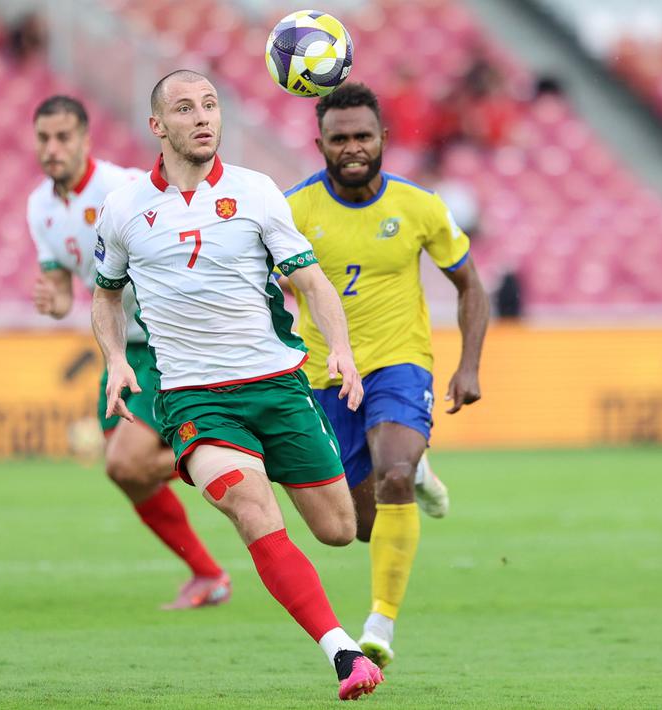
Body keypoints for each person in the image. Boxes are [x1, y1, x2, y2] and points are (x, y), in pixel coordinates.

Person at [92, 69, 385, 701]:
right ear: (157, 125)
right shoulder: (123, 208)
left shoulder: (256, 193)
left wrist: (340, 349)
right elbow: (105, 294)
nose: (202, 117)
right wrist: (116, 359)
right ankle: (343, 654)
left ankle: (258, 460)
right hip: (194, 398)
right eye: (185, 108)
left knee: (339, 530)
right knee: (252, 510)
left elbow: (311, 282)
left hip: (278, 388)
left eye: (210, 105)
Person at [284, 83, 490, 670]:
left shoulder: (418, 206)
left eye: (362, 136)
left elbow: (470, 284)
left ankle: (379, 625)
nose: (352, 147)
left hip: (399, 361)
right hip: (326, 374)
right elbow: (268, 294)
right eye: (339, 138)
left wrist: (468, 363)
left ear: (384, 140)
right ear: (320, 142)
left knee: (391, 473)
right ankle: (415, 467)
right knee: (355, 526)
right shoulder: (294, 211)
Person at [26, 95, 230, 610]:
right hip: (122, 347)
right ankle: (207, 574)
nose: (53, 149)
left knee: (127, 461)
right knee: (125, 472)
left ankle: (237, 444)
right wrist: (53, 299)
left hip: (167, 341)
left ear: (85, 140)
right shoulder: (40, 207)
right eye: (44, 138)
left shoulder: (121, 189)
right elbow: (62, 287)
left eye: (63, 137)